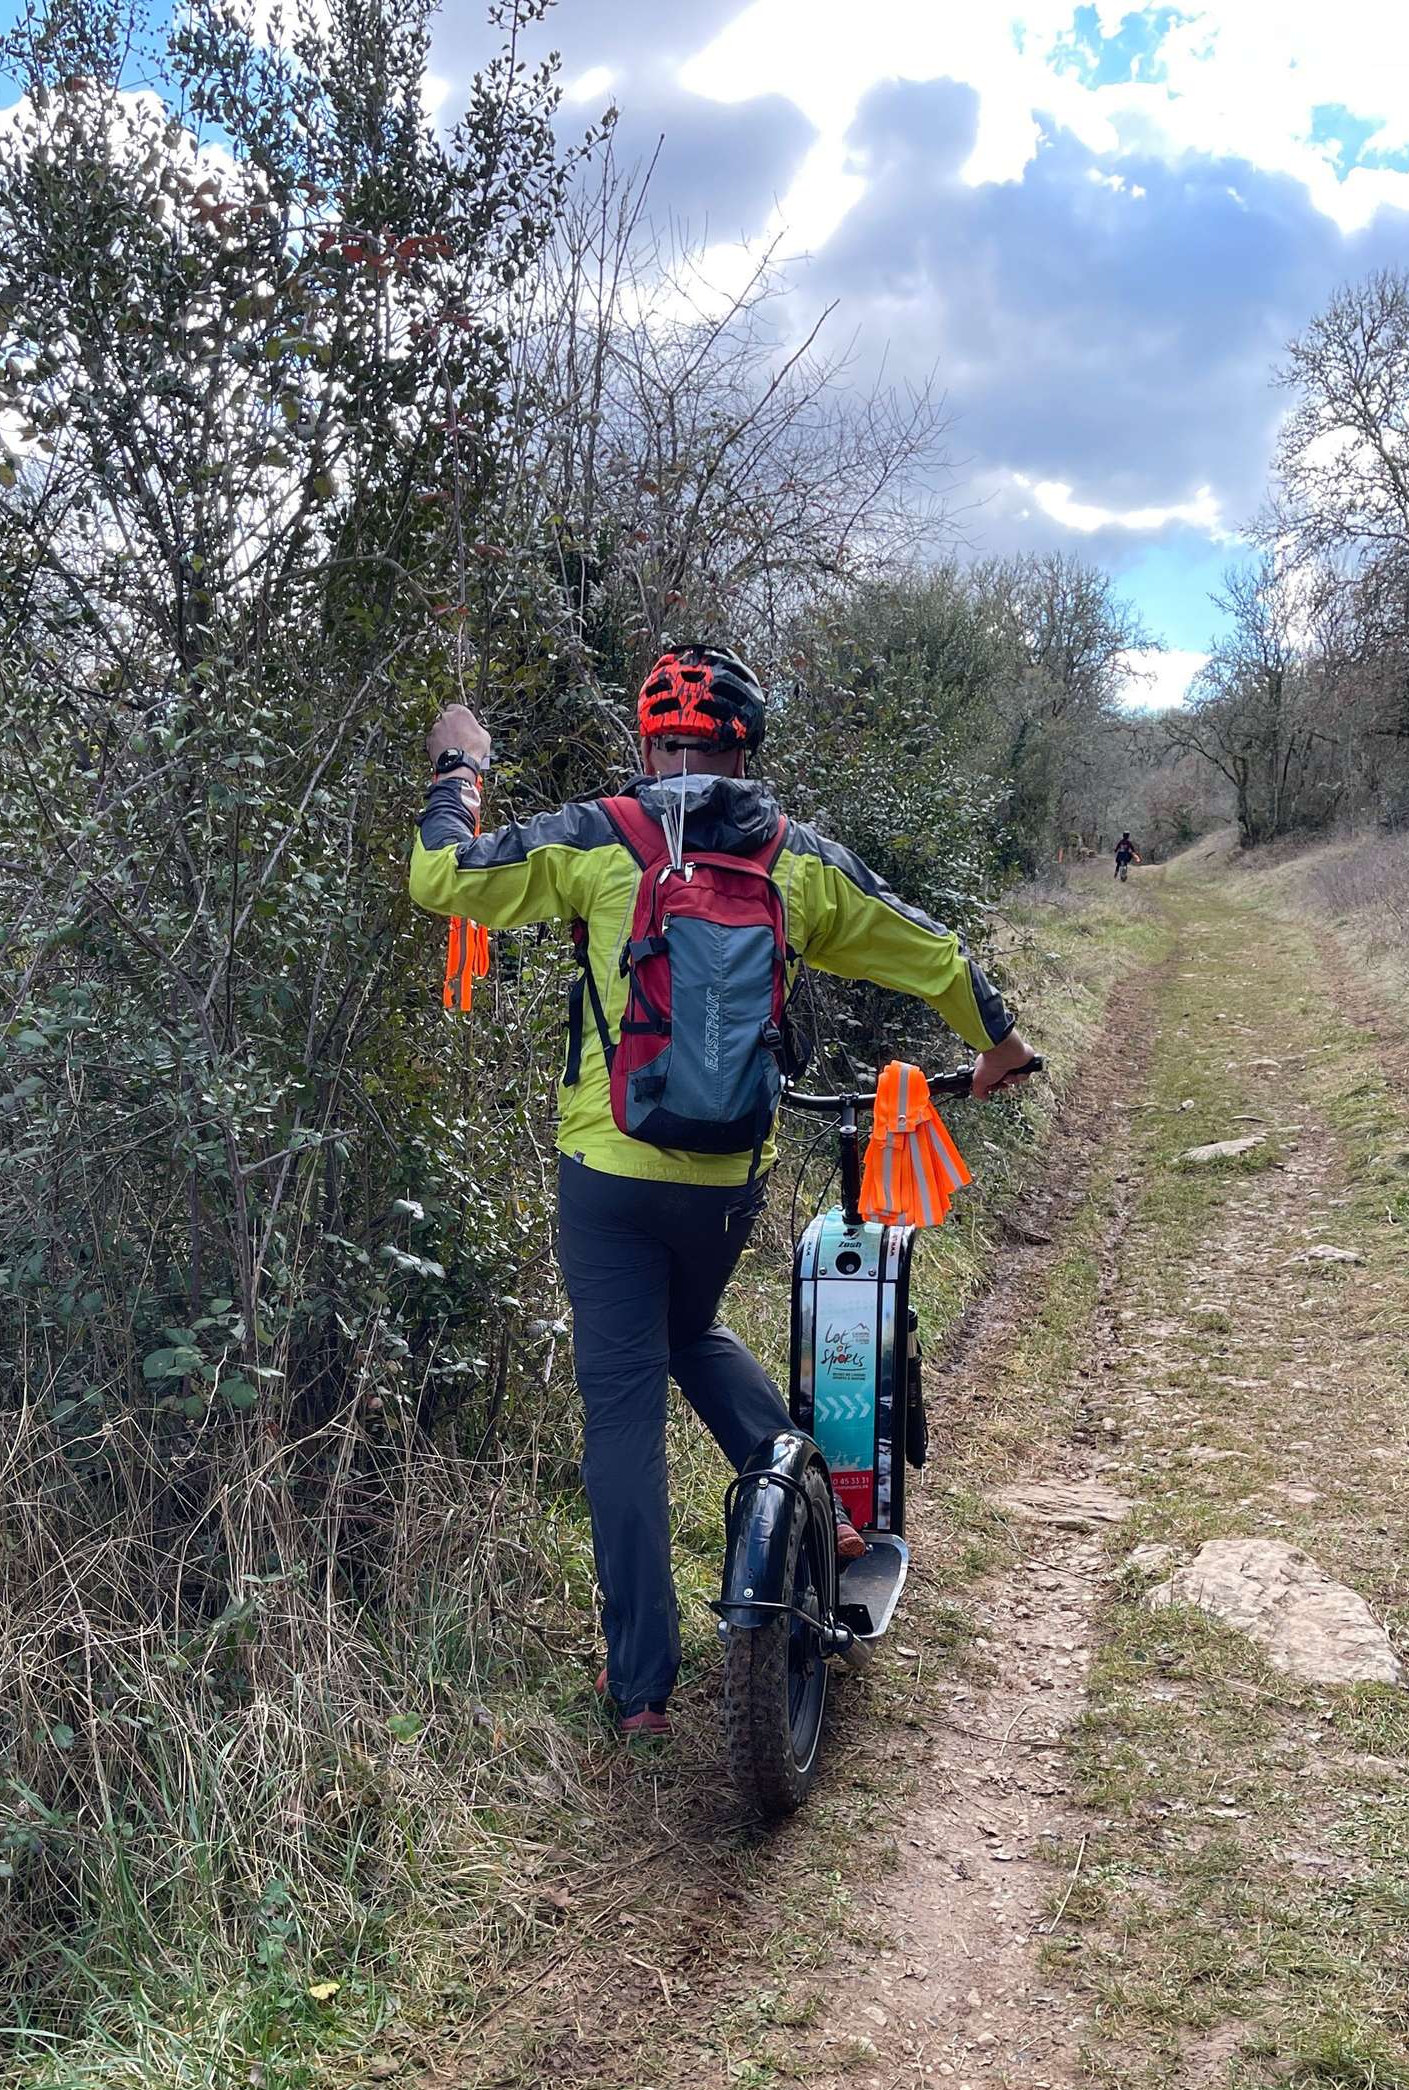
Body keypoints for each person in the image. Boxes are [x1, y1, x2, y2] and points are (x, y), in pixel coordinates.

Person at [409, 646, 1038, 1741]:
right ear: (747, 751)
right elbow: (924, 946)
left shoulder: (599, 838)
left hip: (607, 1173)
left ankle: (642, 1693)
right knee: (690, 1327)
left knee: (621, 1409)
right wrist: (999, 1042)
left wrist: (459, 770)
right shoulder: (795, 860)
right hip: (725, 1181)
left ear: (649, 743)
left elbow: (441, 877)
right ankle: (814, 1501)